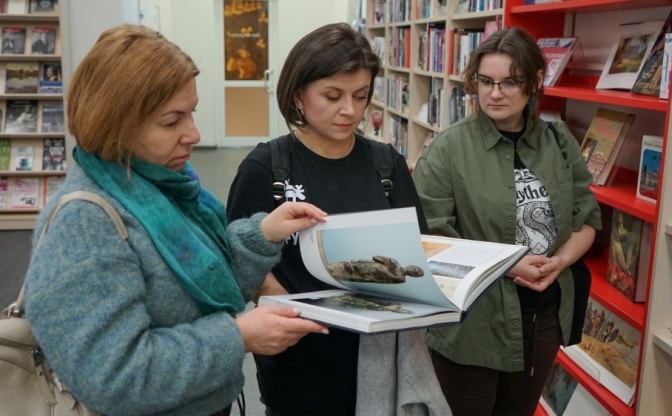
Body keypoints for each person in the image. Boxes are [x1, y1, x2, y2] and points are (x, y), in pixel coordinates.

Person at [23, 24, 329, 416]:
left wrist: (262, 236)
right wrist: (237, 337)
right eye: (172, 121)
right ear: (115, 124)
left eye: (191, 113)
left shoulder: (162, 188)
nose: (194, 134)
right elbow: (115, 377)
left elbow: (204, 292)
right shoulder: (84, 225)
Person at [226, 22, 433, 416]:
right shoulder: (265, 168)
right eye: (333, 96)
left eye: (361, 96)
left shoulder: (386, 164)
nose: (350, 110)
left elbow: (418, 249)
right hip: (301, 359)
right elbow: (241, 262)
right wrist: (303, 312)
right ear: (298, 94)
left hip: (380, 359)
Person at [411, 27, 602, 416]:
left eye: (510, 82)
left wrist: (559, 262)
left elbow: (587, 219)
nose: (495, 93)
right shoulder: (448, 148)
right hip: (473, 323)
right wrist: (509, 265)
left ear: (534, 82)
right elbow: (429, 240)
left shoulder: (559, 140)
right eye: (486, 81)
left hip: (544, 315)